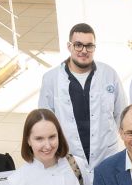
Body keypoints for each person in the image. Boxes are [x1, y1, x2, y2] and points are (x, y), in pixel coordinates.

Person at [39, 23, 126, 168]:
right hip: (68, 156)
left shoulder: (109, 74)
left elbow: (121, 113)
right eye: (78, 45)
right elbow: (45, 121)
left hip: (106, 154)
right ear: (69, 46)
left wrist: (108, 141)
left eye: (89, 46)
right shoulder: (51, 78)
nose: (84, 51)